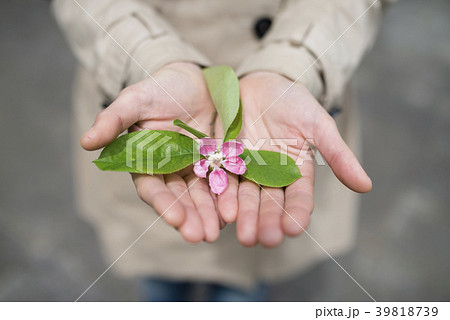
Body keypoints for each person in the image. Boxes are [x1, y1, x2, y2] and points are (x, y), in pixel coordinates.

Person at [52, 0, 393, 301]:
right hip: (143, 83)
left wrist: (293, 62)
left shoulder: (225, 154)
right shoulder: (203, 155)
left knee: (242, 289)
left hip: (285, 109)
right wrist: (150, 57)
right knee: (160, 280)